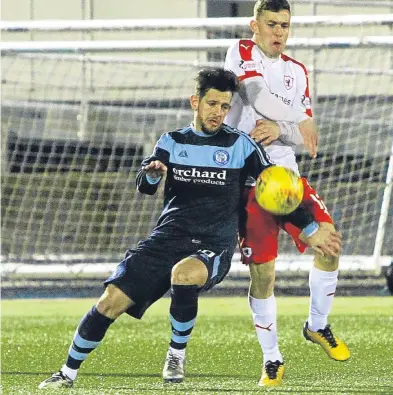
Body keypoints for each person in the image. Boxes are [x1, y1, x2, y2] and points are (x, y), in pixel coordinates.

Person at [38, 67, 341, 390]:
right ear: (194, 102)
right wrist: (152, 175)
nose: (218, 113)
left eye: (225, 107)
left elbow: (277, 191)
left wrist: (309, 226)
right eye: (212, 104)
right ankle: (66, 373)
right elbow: (144, 185)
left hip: (213, 243)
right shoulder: (172, 141)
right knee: (110, 300)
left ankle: (175, 355)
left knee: (184, 274)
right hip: (167, 238)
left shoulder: (241, 145)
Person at [224, 0, 350, 387]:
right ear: (255, 26)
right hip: (249, 185)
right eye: (272, 24)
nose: (279, 32)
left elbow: (305, 139)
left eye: (285, 25)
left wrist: (284, 129)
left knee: (329, 245)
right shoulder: (242, 52)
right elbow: (259, 99)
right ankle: (272, 358)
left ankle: (317, 325)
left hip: (288, 179)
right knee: (264, 276)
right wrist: (296, 121)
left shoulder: (298, 71)